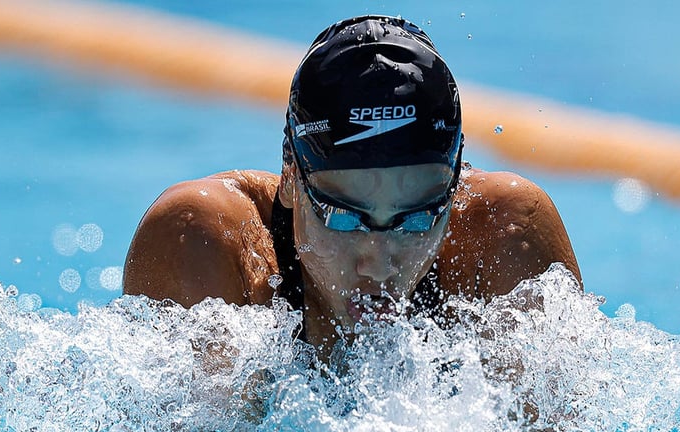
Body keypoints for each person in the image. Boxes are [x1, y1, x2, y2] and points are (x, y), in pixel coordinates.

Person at [123, 15, 581, 358]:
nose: (379, 265)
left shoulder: (504, 236)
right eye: (344, 218)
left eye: (417, 219)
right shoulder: (204, 242)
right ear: (290, 177)